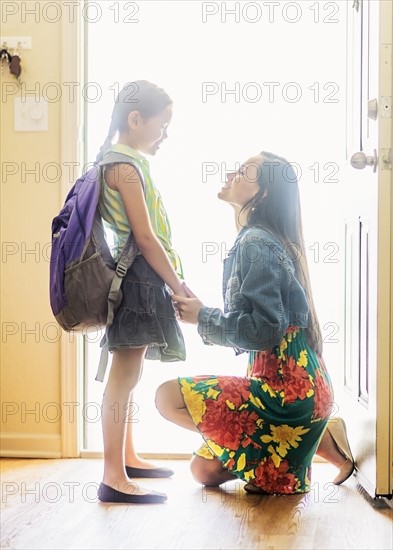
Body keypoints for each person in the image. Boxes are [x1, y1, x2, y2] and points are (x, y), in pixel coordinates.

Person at [155, 152, 355, 495]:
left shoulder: (256, 243)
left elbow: (264, 331)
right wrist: (203, 311)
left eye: (245, 171)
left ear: (262, 194)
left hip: (286, 396)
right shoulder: (262, 238)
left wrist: (203, 316)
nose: (231, 171)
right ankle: (319, 437)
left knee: (165, 397)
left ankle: (298, 444)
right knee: (202, 470)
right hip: (307, 391)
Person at [95, 81, 188, 504]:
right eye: (162, 124)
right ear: (136, 120)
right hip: (138, 279)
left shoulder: (125, 162)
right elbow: (146, 238)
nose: (165, 135)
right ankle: (112, 476)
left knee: (129, 376)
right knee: (123, 378)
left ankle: (127, 457)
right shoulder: (123, 167)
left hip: (140, 278)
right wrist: (178, 284)